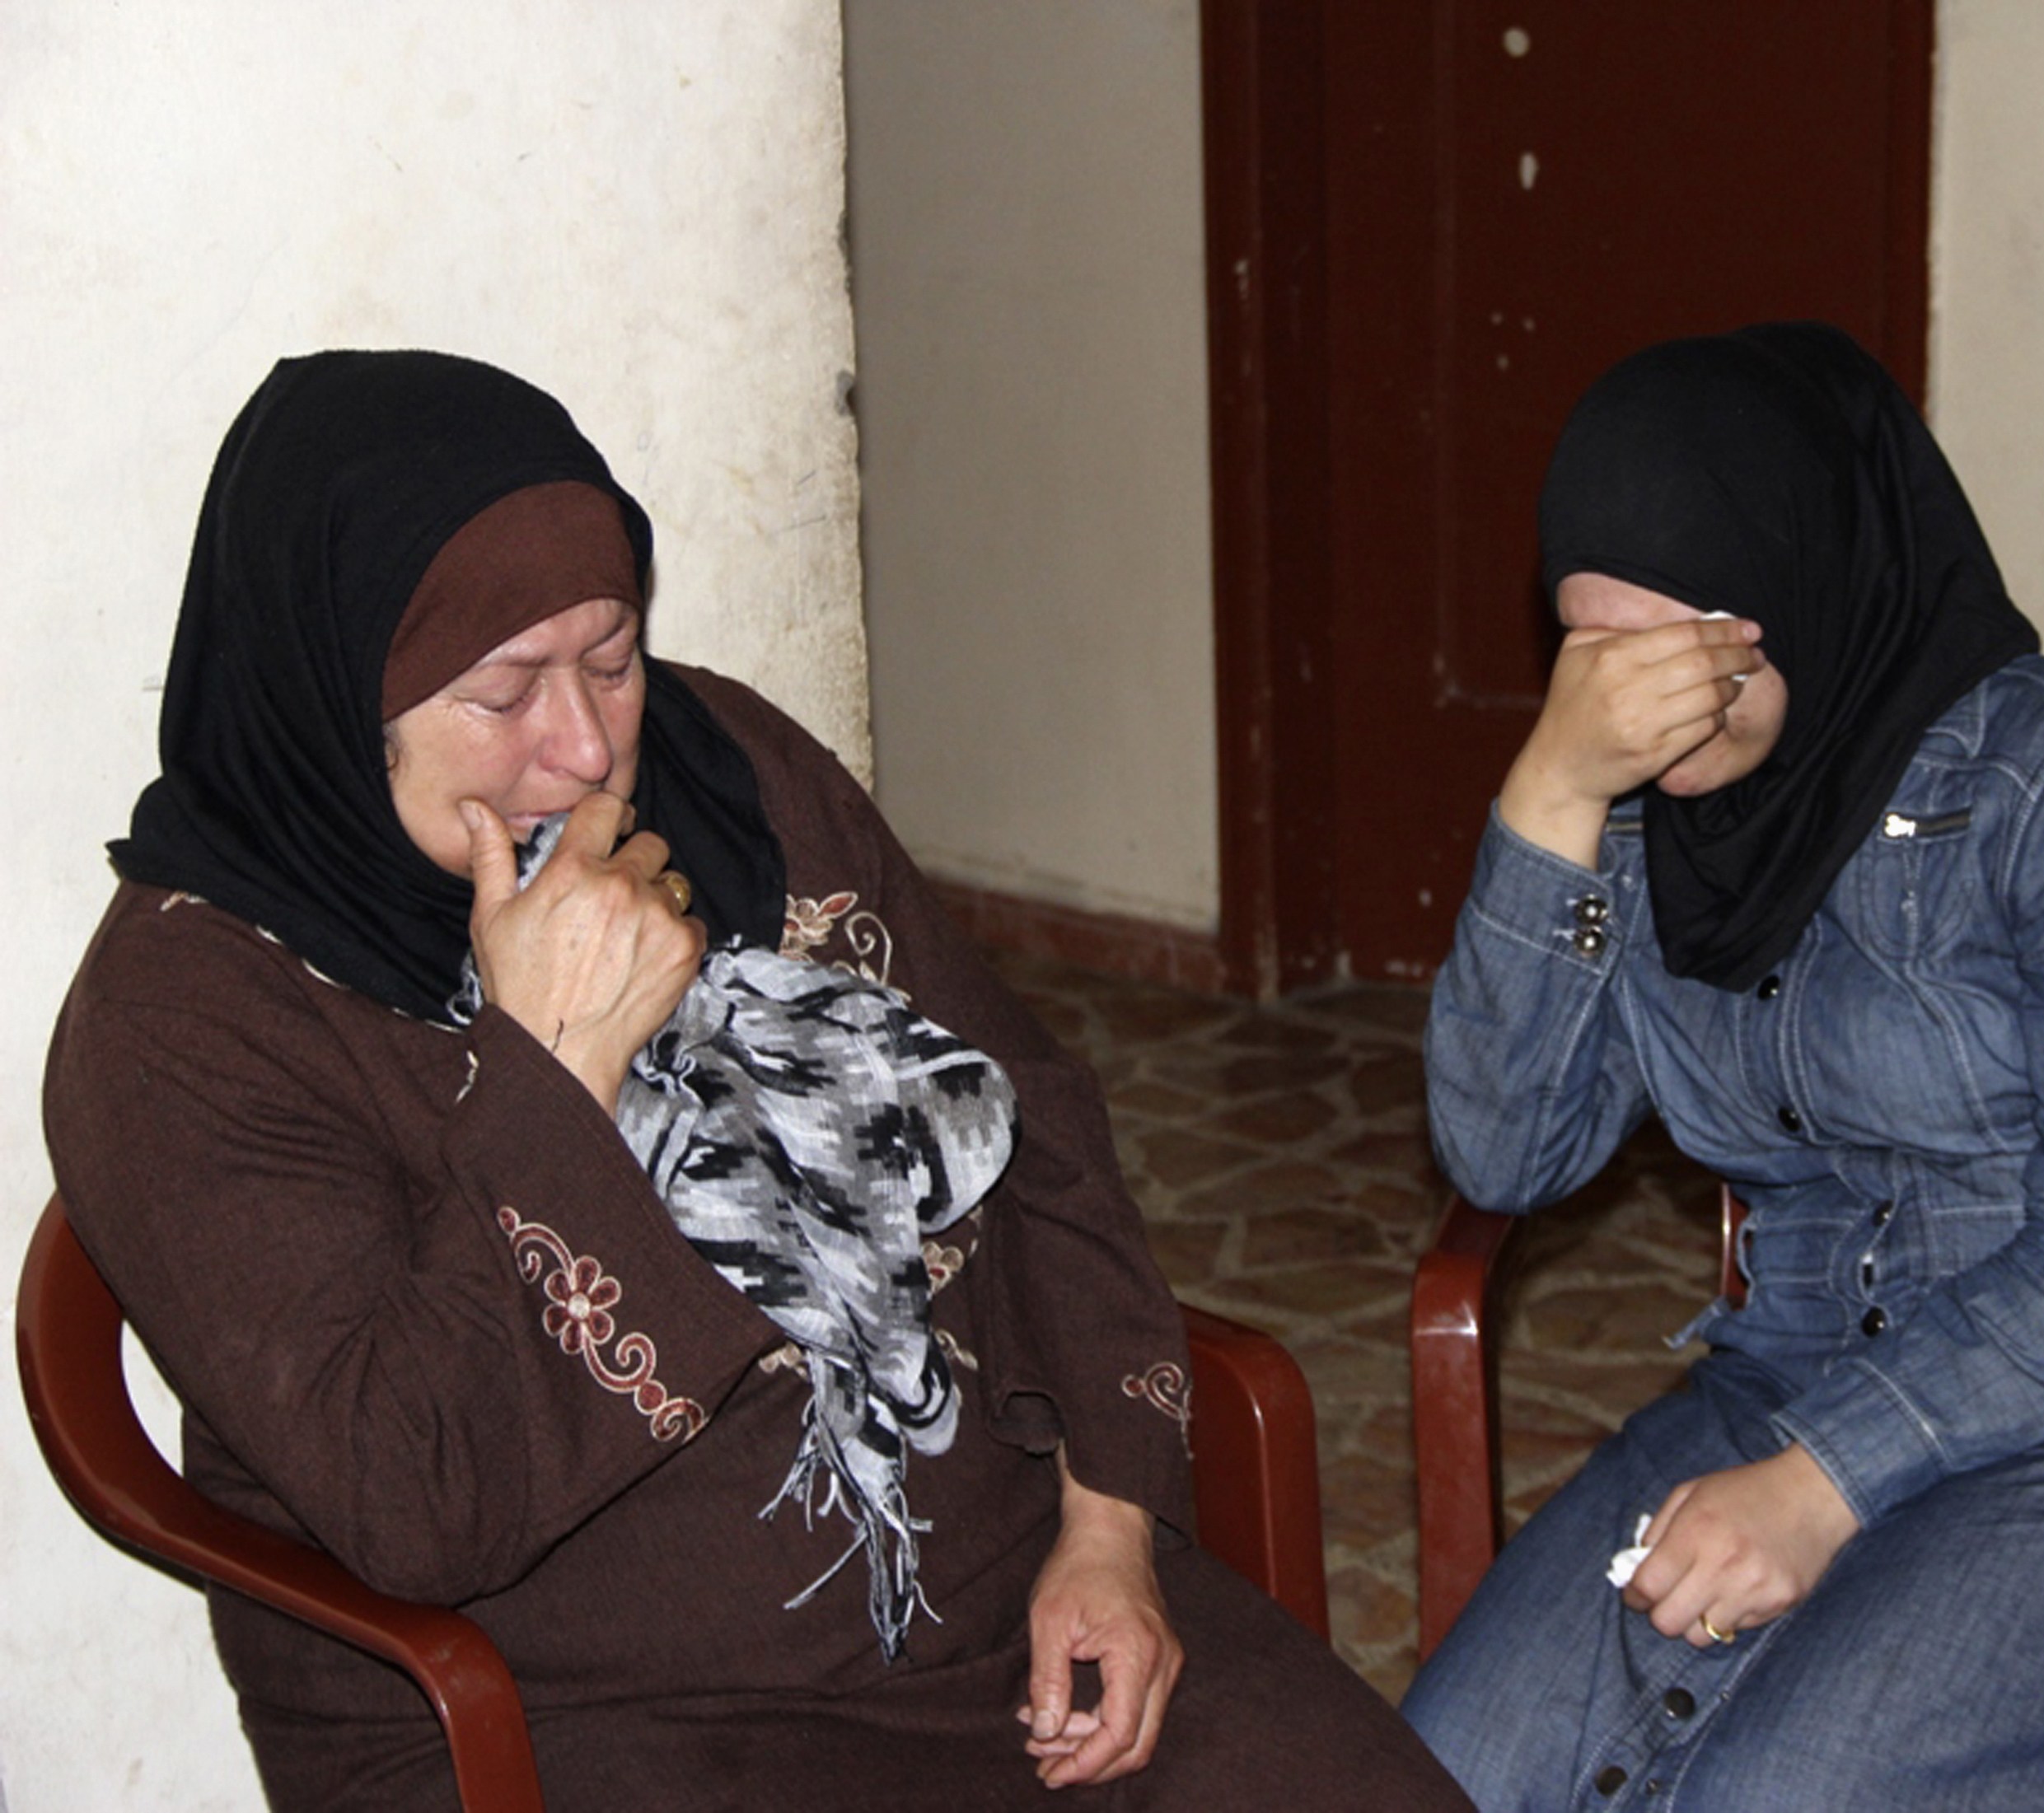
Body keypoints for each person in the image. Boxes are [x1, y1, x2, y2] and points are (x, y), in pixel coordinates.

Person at [44, 350, 1469, 1812]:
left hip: (1000, 1623)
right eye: (506, 693)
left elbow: (1032, 1121)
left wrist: (1110, 1526)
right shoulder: (189, 1020)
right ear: (339, 703)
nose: (587, 748)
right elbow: (419, 1495)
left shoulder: (731, 775)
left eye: (612, 659)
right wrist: (555, 1069)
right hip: (590, 1721)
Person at [1398, 324, 2044, 1811]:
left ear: (1798, 584)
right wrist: (1548, 797)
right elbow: (1508, 1154)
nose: (1638, 698)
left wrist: (1825, 1478)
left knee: (1770, 1795)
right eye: (1592, 651)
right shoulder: (1630, 818)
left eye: (1681, 645)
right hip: (1807, 1360)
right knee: (1442, 1777)